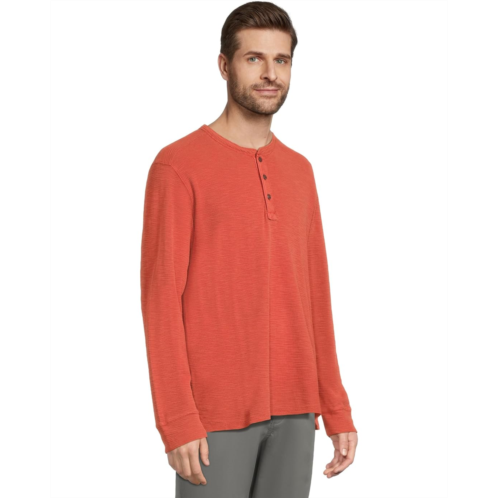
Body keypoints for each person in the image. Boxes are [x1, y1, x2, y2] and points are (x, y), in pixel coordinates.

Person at [140, 2, 358, 496]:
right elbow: (160, 301)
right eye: (254, 58)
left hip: (298, 409)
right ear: (224, 65)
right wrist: (176, 418)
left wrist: (335, 405)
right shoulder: (177, 166)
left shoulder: (300, 171)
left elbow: (315, 296)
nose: (270, 74)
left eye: (281, 60)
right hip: (212, 416)